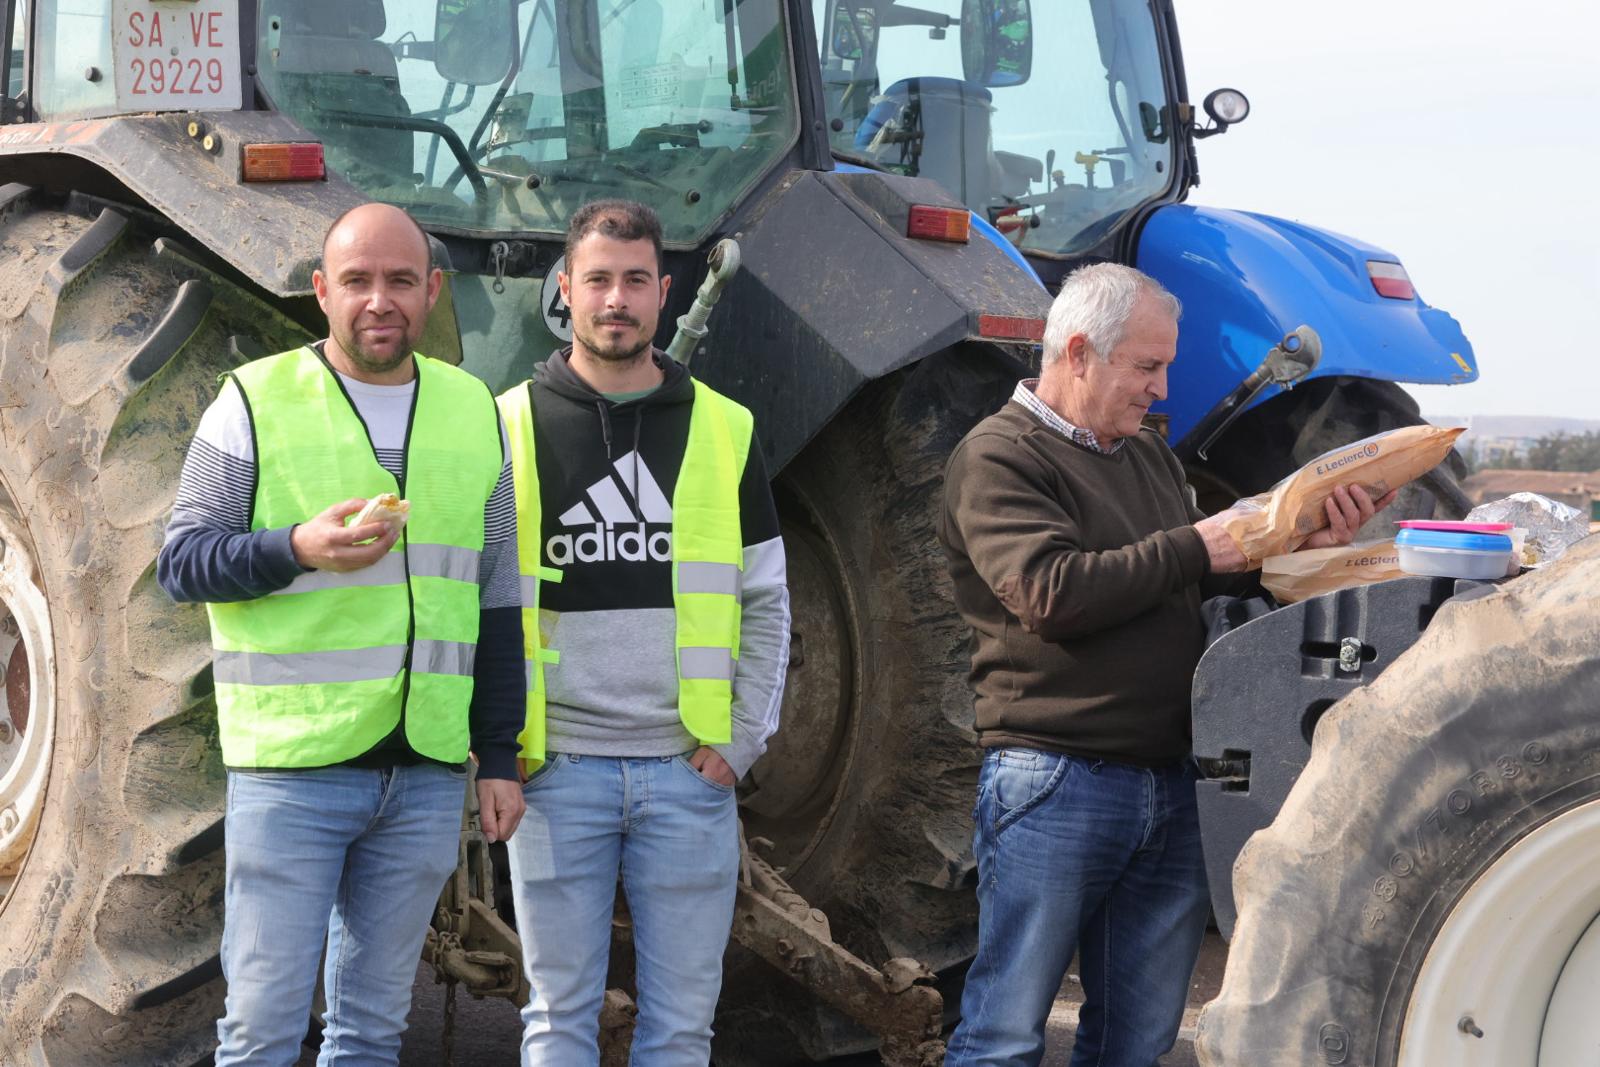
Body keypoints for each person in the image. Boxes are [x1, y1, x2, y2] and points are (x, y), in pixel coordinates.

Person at [938, 263, 1390, 1067]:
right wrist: (1197, 543)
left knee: (1137, 1043)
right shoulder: (998, 458)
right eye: (1146, 366)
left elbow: (1191, 579)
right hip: (1055, 780)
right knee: (1004, 1034)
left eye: (1163, 366)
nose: (1160, 386)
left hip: (1172, 783)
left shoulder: (1145, 457)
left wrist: (1301, 551)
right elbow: (1050, 593)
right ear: (1078, 352)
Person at [158, 202, 526, 1066]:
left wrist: (498, 753)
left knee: (368, 1033)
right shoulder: (251, 401)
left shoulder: (474, 409)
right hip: (294, 777)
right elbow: (183, 561)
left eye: (401, 280)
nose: (379, 301)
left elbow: (497, 594)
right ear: (321, 291)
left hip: (425, 775)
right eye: (357, 281)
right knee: (260, 1034)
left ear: (434, 291)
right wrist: (298, 548)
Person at [497, 199, 790, 1066]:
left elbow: (767, 600)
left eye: (634, 281)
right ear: (565, 290)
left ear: (665, 294)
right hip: (557, 775)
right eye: (598, 280)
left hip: (686, 775)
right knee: (558, 1018)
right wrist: (498, 744)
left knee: (682, 1029)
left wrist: (739, 743)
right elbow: (474, 605)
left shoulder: (723, 427)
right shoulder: (506, 424)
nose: (615, 300)